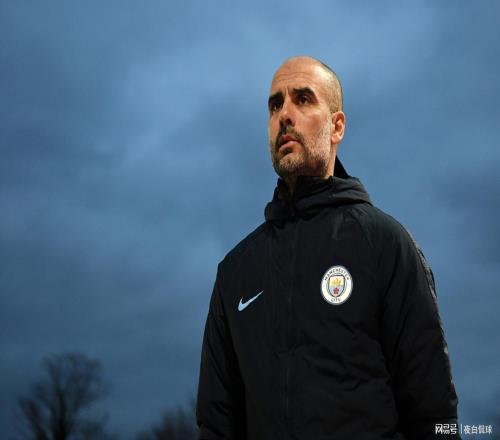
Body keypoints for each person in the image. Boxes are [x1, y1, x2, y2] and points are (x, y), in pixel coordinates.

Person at [196, 56, 460, 439]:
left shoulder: (385, 244)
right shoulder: (235, 272)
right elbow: (216, 424)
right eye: (275, 105)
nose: (285, 115)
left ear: (337, 126)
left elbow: (435, 414)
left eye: (303, 99)